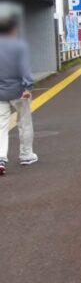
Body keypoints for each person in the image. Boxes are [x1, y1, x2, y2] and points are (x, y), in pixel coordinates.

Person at [0, 14, 37, 175]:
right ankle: (26, 155)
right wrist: (28, 88)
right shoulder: (18, 46)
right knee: (24, 123)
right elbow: (25, 69)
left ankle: (0, 158)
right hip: (19, 92)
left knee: (1, 126)